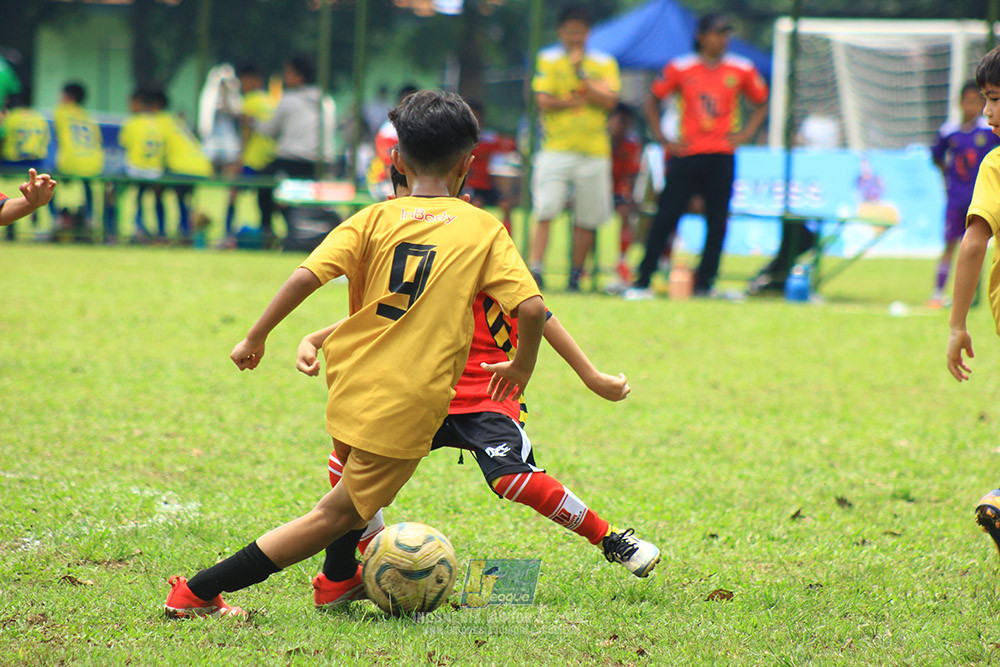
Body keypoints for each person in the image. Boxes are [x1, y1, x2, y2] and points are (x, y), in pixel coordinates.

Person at [163, 90, 546, 618]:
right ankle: (198, 592)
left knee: (352, 491)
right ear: (468, 165)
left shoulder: (372, 218)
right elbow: (530, 307)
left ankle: (337, 582)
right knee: (334, 513)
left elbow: (307, 275)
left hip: (350, 379)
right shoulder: (483, 229)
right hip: (407, 398)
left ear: (396, 160)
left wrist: (257, 336)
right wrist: (522, 366)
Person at [299, 165, 659, 606]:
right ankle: (350, 568)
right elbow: (389, 309)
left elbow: (537, 312)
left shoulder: (474, 240)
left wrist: (591, 376)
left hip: (485, 393)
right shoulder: (411, 242)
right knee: (347, 462)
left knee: (511, 479)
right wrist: (316, 337)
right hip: (422, 387)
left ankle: (609, 539)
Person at [625, 13, 768, 300]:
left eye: (725, 34)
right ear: (701, 36)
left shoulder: (741, 68)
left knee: (717, 221)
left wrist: (746, 133)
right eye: (716, 33)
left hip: (721, 154)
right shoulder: (681, 67)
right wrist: (663, 138)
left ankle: (705, 283)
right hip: (686, 154)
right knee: (666, 216)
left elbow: (762, 101)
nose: (722, 39)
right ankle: (642, 281)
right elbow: (653, 99)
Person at [946, 47, 1000, 557]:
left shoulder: (996, 163)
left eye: (995, 100)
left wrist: (957, 322)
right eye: (986, 100)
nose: (987, 112)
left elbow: (974, 242)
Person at [529, 4, 620, 291]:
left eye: (580, 32)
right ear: (560, 32)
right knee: (546, 207)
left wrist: (581, 74)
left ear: (588, 33)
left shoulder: (604, 62)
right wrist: (577, 101)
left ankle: (576, 274)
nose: (575, 37)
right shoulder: (548, 59)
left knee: (588, 215)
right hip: (556, 147)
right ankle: (536, 269)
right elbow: (543, 100)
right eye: (570, 32)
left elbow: (609, 100)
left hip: (594, 149)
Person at [927, 82, 999, 308]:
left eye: (977, 101)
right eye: (967, 101)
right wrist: (947, 177)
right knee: (949, 244)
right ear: (960, 103)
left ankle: (974, 298)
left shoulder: (988, 132)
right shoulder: (950, 131)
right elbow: (936, 156)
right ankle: (938, 293)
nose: (973, 106)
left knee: (977, 245)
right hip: (956, 198)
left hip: (980, 198)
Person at [256, 55, 333, 246]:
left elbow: (267, 130)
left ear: (299, 76)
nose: (284, 77)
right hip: (323, 163)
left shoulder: (288, 99)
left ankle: (266, 229)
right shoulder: (326, 100)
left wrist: (251, 121)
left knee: (263, 183)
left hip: (292, 160)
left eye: (287, 73)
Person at [221, 64, 277, 247]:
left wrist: (239, 160)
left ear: (253, 80)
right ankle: (268, 234)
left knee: (233, 193)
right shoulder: (271, 101)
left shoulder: (249, 101)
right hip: (270, 158)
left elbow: (246, 134)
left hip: (253, 159)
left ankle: (227, 235)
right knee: (266, 199)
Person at [149, 89, 213, 241]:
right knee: (182, 198)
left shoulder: (158, 121)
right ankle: (186, 232)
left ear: (154, 105)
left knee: (158, 191)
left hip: (181, 168)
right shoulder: (175, 121)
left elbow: (157, 149)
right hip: (200, 166)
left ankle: (162, 232)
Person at [52, 82, 105, 237]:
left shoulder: (61, 111)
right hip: (93, 163)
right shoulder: (87, 115)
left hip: (69, 161)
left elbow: (58, 138)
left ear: (69, 97)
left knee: (48, 182)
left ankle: (56, 218)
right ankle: (90, 217)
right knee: (87, 185)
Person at [1, 90, 51, 240]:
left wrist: (31, 204)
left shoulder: (11, 117)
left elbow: (3, 138)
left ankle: (15, 226)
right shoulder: (40, 118)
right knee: (42, 182)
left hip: (12, 161)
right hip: (36, 162)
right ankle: (43, 220)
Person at [118, 88, 166, 241]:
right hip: (156, 171)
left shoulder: (133, 122)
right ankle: (160, 230)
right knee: (152, 196)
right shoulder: (160, 123)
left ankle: (119, 228)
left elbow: (125, 143)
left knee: (114, 190)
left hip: (137, 170)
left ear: (138, 104)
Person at [466, 101, 517, 232]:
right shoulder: (462, 141)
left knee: (505, 205)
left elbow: (509, 146)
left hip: (486, 184)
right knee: (476, 205)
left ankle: (507, 238)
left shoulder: (488, 138)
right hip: (469, 184)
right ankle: (478, 236)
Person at [608, 103, 643, 285]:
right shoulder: (601, 143)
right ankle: (581, 268)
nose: (622, 126)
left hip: (618, 192)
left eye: (626, 123)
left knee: (625, 211)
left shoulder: (631, 145)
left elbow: (631, 175)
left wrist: (627, 194)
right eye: (619, 121)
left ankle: (622, 260)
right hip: (599, 190)